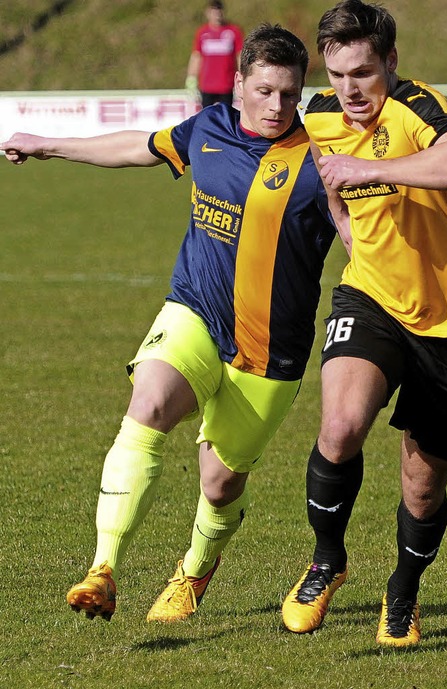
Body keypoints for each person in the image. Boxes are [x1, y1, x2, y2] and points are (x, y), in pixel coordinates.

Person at [2, 24, 338, 624]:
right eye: (264, 91)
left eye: (290, 94)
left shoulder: (320, 159)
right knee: (150, 401)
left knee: (218, 484)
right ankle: (102, 569)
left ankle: (193, 571)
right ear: (238, 84)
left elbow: (366, 236)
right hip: (195, 312)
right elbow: (139, 147)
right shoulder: (207, 128)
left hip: (269, 347)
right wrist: (49, 144)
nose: (276, 106)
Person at [281, 0, 447, 647]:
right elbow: (328, 175)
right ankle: (327, 559)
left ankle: (402, 591)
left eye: (364, 72)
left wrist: (371, 168)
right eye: (340, 73)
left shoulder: (417, 108)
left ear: (391, 64)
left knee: (421, 486)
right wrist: (350, 232)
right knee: (341, 426)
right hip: (370, 297)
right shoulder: (318, 113)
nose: (351, 89)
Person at [185, 0, 244, 108]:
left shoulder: (233, 31)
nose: (217, 16)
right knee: (207, 116)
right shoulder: (202, 32)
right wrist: (191, 77)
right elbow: (196, 57)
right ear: (208, 13)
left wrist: (243, 74)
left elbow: (239, 55)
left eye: (219, 12)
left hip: (226, 84)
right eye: (214, 12)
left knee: (225, 116)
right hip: (207, 85)